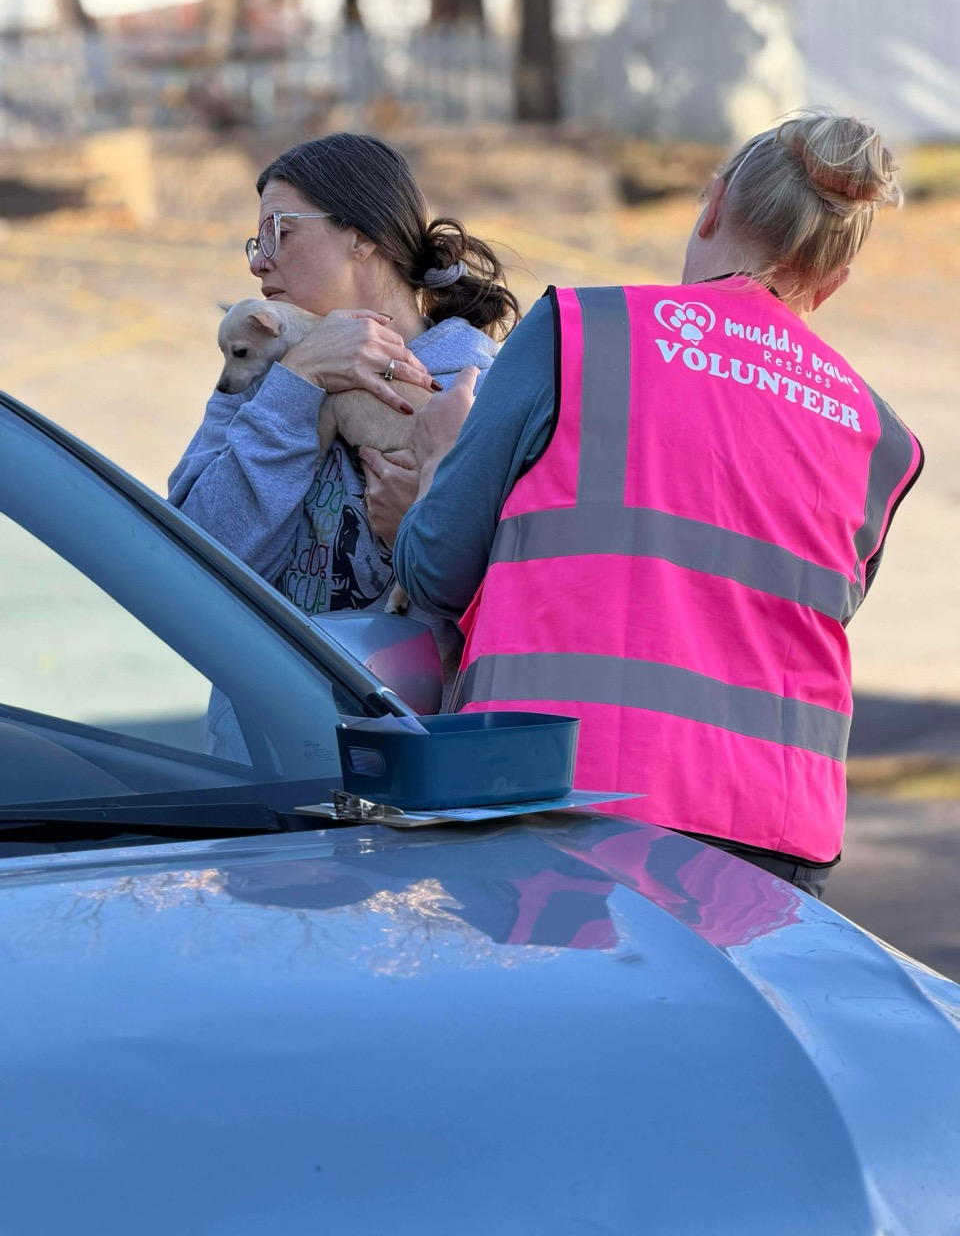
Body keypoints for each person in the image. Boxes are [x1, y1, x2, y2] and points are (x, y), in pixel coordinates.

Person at [391, 111, 924, 899]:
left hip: (557, 801)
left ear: (710, 206)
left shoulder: (582, 331)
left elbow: (435, 568)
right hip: (773, 848)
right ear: (832, 281)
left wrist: (439, 464)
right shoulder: (881, 437)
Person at [168, 132, 518, 676]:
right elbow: (184, 573)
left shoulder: (483, 387)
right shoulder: (262, 379)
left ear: (360, 238)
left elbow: (528, 597)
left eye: (277, 232)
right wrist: (300, 380)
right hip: (271, 749)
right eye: (256, 241)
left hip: (414, 747)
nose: (259, 263)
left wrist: (428, 528)